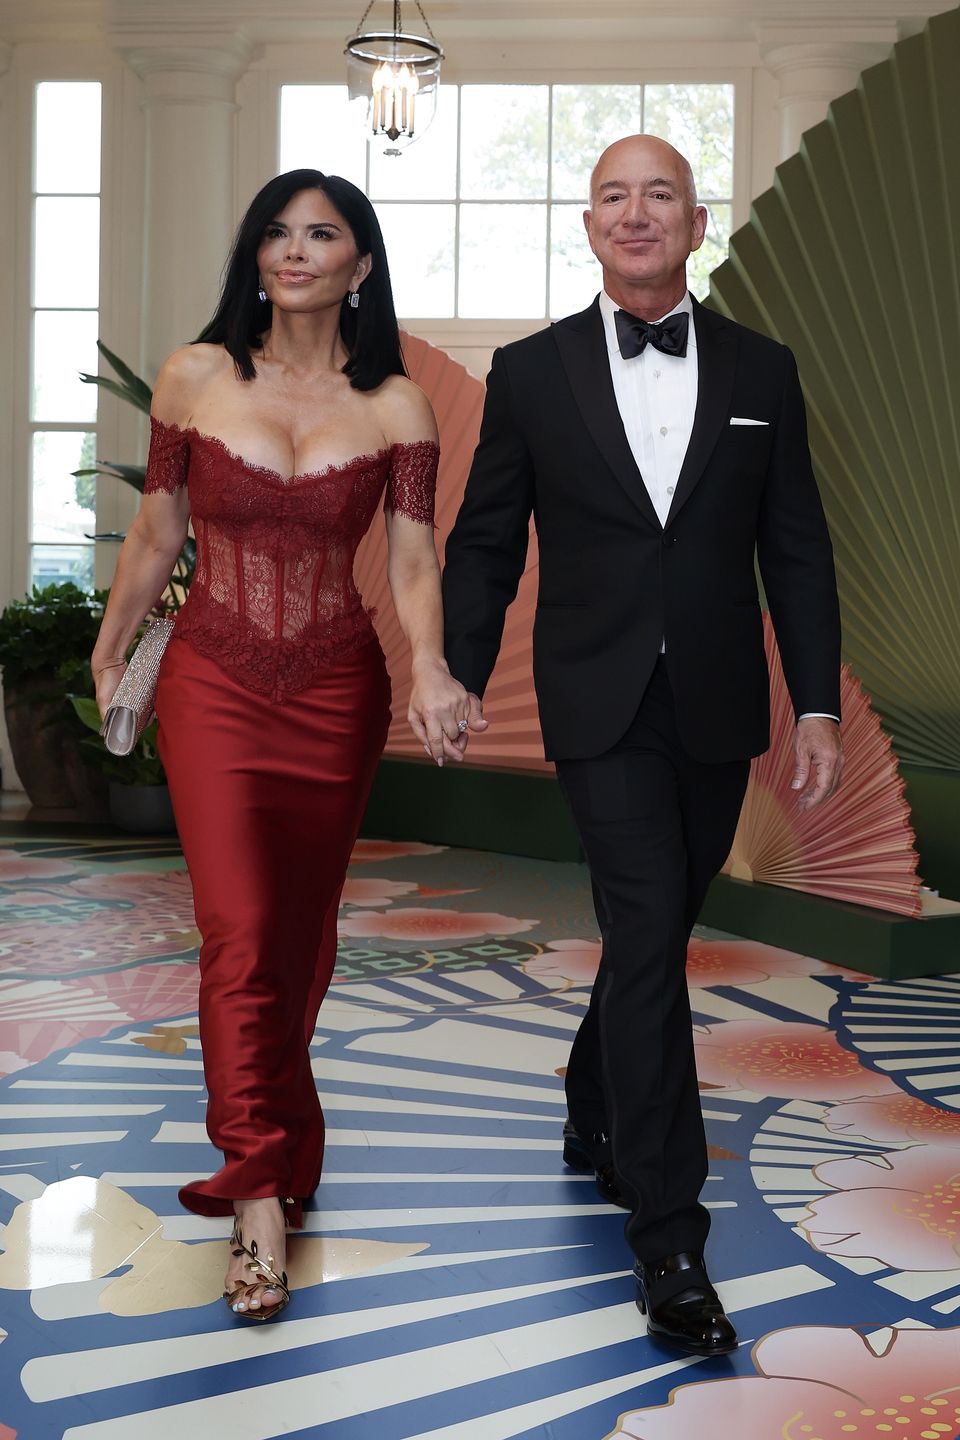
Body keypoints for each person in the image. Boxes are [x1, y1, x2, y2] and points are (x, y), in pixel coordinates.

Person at [442, 135, 843, 1356]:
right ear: (588, 226)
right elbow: (486, 539)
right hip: (598, 701)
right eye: (613, 195)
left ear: (695, 222)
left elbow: (797, 546)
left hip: (718, 702)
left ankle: (590, 1098)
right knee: (652, 929)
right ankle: (670, 1242)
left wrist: (816, 702)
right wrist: (456, 670)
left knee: (650, 931)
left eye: (659, 193)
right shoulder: (530, 371)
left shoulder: (765, 367)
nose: (635, 213)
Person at [91, 168, 470, 1322]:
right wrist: (110, 651)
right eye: (276, 232)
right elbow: (157, 533)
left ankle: (289, 1143)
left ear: (362, 263)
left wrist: (433, 665)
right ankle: (255, 1194)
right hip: (211, 678)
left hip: (336, 690)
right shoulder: (196, 376)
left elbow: (412, 557)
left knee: (300, 943)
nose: (294, 250)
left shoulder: (397, 405)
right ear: (255, 256)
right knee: (242, 933)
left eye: (322, 233)